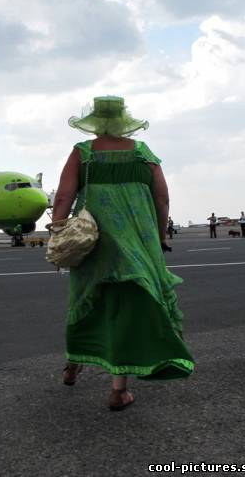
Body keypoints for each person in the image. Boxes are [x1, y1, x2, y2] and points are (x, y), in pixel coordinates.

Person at [52, 96, 194, 410]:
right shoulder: (144, 155)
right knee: (127, 310)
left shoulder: (83, 153)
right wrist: (158, 238)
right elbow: (163, 200)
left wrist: (59, 235)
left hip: (94, 246)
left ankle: (72, 366)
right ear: (123, 118)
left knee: (87, 302)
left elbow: (62, 197)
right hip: (139, 247)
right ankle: (118, 390)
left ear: (95, 120)